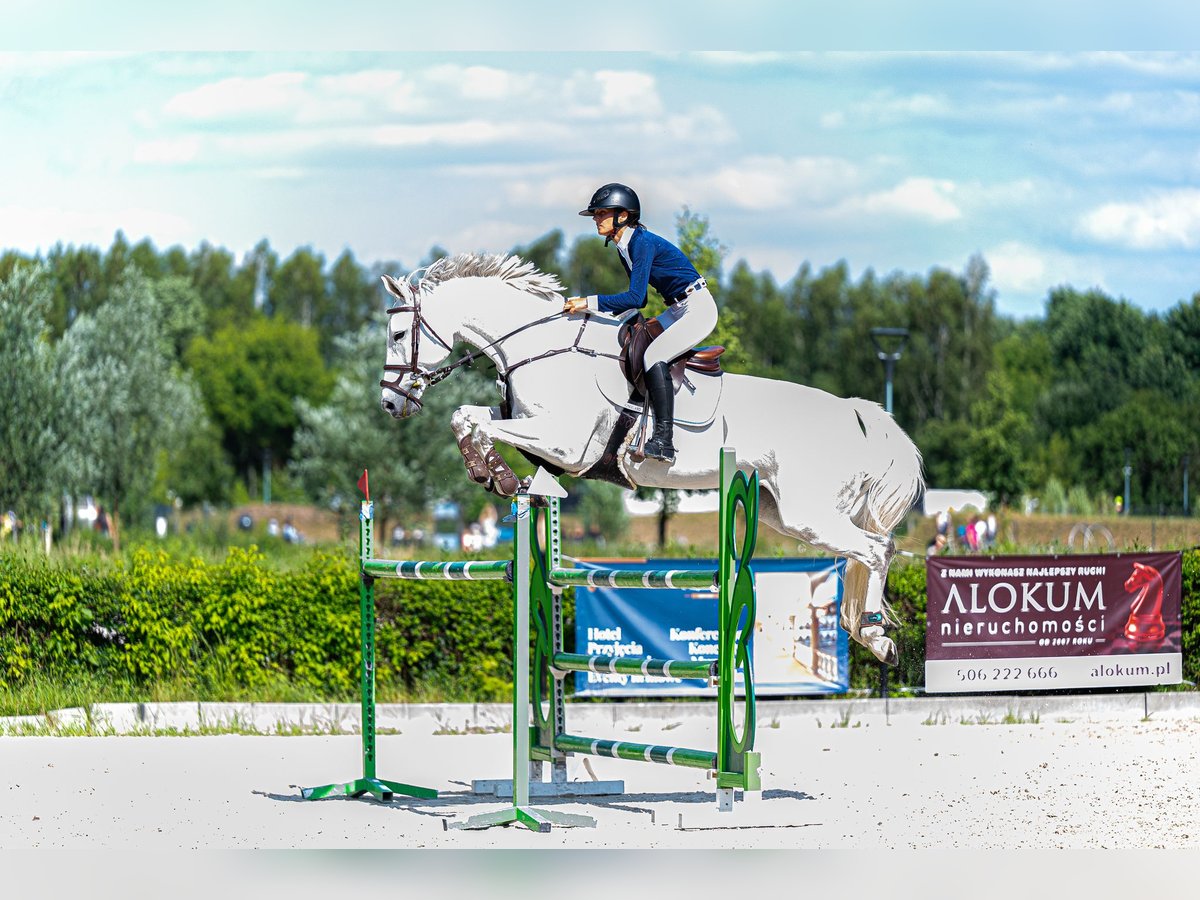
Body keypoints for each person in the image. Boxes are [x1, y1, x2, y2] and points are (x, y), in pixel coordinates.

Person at [564, 183, 718, 463]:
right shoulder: (624, 245)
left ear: (622, 216)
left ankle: (664, 441)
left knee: (654, 354)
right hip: (677, 308)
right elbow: (640, 302)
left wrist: (588, 302)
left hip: (697, 308)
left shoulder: (641, 243)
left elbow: (636, 297)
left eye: (601, 213)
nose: (596, 218)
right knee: (634, 340)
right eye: (595, 214)